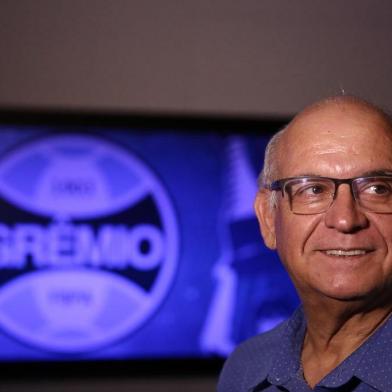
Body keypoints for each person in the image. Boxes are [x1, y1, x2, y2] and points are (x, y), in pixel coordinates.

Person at [217, 96, 392, 391]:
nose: (346, 220)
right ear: (268, 219)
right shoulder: (244, 370)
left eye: (377, 188)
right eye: (313, 189)